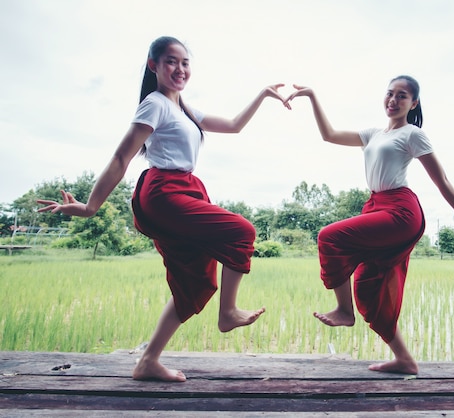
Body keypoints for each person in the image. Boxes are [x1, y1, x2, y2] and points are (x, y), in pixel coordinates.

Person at [37, 36, 290, 382]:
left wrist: (262, 94)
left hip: (185, 189)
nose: (180, 69)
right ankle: (228, 312)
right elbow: (121, 156)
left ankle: (147, 361)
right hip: (164, 192)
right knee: (242, 231)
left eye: (185, 62)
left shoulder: (185, 108)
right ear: (153, 65)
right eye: (171, 61)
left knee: (195, 282)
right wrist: (90, 207)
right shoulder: (155, 103)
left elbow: (233, 125)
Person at [286, 75, 454, 375]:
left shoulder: (413, 134)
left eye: (402, 96)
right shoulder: (373, 134)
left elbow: (442, 180)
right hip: (376, 206)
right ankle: (404, 359)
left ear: (413, 103)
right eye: (390, 93)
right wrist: (312, 96)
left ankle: (345, 311)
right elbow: (330, 135)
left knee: (329, 237)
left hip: (400, 212)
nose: (393, 100)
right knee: (368, 286)